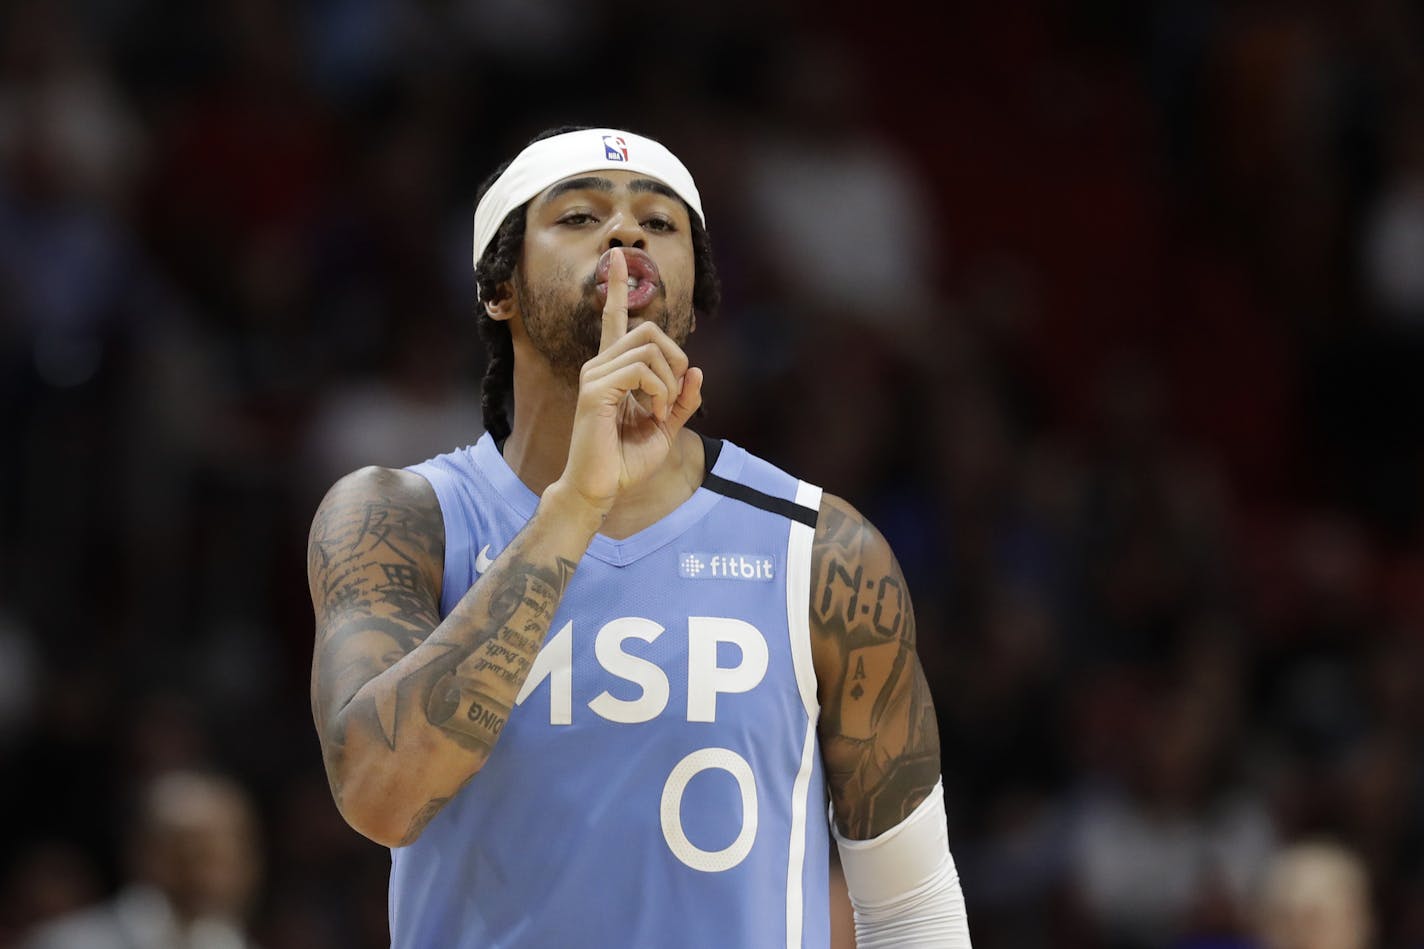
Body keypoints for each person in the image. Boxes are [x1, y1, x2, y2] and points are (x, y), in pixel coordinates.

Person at [307, 125, 971, 947]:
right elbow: (382, 793)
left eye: (660, 223)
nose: (626, 233)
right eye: (580, 216)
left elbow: (910, 908)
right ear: (498, 288)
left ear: (693, 295)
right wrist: (576, 504)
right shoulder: (400, 517)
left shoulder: (822, 548)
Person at [23, 770, 262, 949]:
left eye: (227, 857)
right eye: (193, 854)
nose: (211, 876)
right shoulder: (67, 944)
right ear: (142, 853)